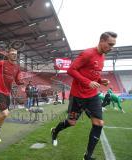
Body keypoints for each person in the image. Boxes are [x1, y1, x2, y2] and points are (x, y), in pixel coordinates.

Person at [50, 32, 117, 160]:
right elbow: (71, 70)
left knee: (99, 123)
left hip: (92, 97)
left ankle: (88, 156)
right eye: (110, 44)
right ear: (102, 41)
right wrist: (88, 82)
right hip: (78, 97)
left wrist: (100, 81)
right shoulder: (87, 54)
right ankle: (55, 131)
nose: (111, 47)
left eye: (113, 45)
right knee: (71, 122)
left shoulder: (103, 57)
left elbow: (94, 75)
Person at [0, 48, 24, 142]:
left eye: (15, 54)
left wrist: (21, 82)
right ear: (8, 54)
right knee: (5, 113)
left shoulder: (17, 68)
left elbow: (17, 80)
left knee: (4, 115)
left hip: (7, 92)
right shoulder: (2, 63)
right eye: (12, 53)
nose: (14, 55)